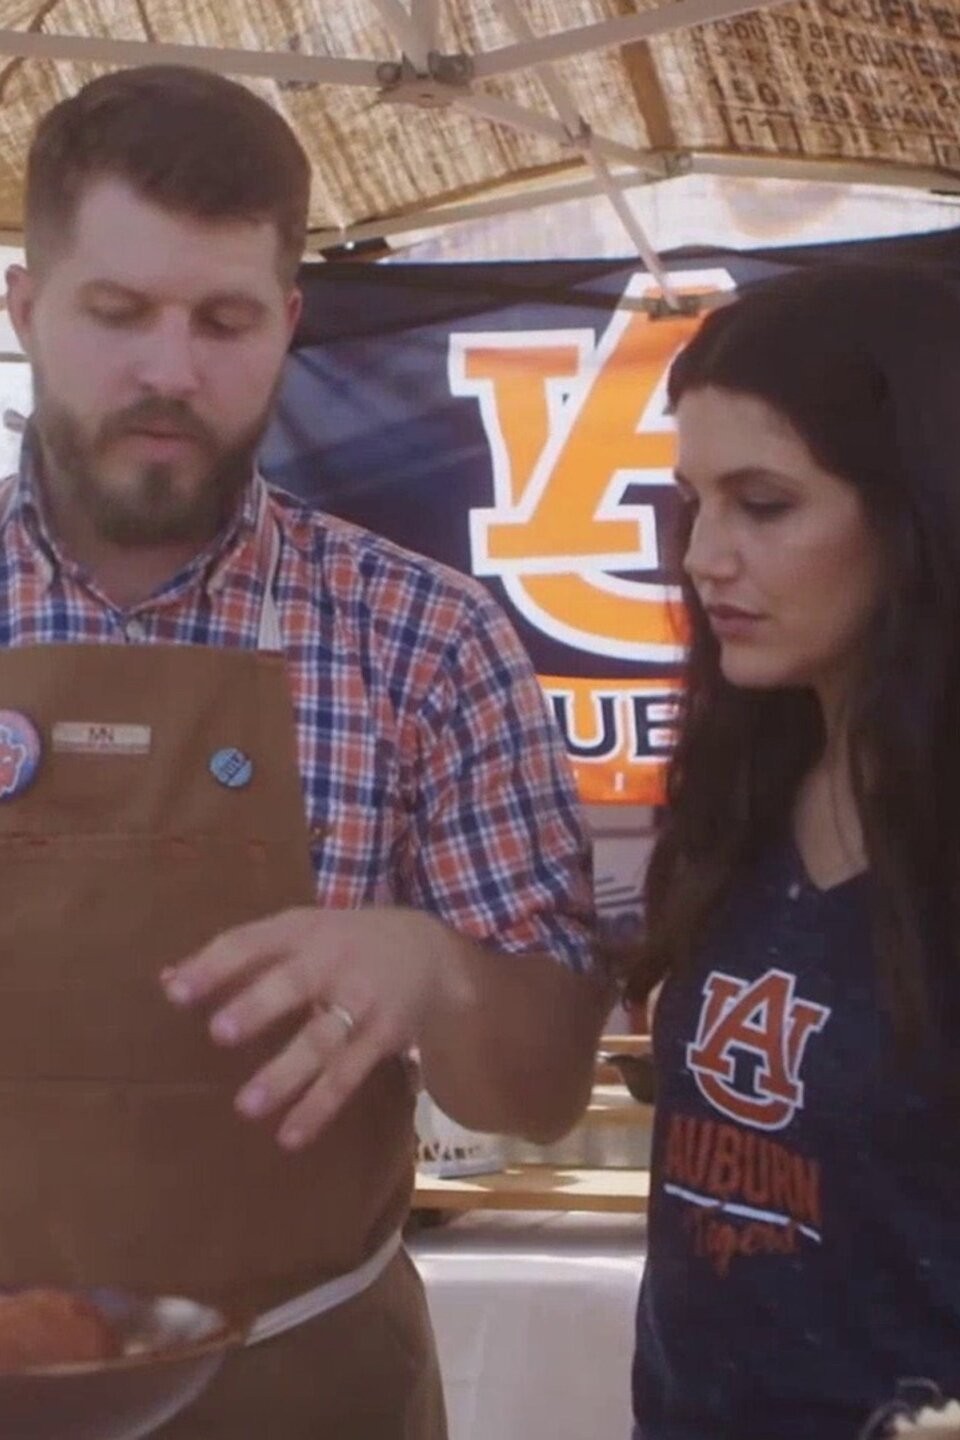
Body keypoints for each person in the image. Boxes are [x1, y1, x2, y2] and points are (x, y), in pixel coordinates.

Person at [0, 66, 609, 1438]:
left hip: (312, 1379)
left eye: (223, 321)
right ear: (26, 308)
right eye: (117, 313)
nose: (171, 370)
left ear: (289, 322)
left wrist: (438, 975)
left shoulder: (426, 639)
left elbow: (543, 1092)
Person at [624, 262, 960, 1440]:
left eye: (763, 505)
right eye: (692, 504)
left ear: (918, 506)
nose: (706, 556)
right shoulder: (744, 789)